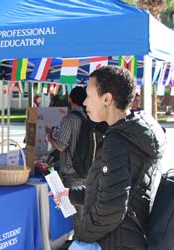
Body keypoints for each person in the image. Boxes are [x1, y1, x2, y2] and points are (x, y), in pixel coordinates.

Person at [52, 65, 166, 249]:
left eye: (89, 96)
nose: (85, 103)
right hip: (130, 238)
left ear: (107, 99)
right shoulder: (135, 133)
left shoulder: (118, 141)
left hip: (115, 241)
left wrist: (81, 237)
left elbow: (110, 210)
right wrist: (72, 194)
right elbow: (112, 190)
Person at [45, 85, 87, 239]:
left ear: (70, 99)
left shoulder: (69, 119)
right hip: (88, 170)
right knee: (85, 213)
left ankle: (81, 244)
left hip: (71, 171)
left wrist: (49, 137)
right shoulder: (90, 118)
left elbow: (61, 145)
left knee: (77, 214)